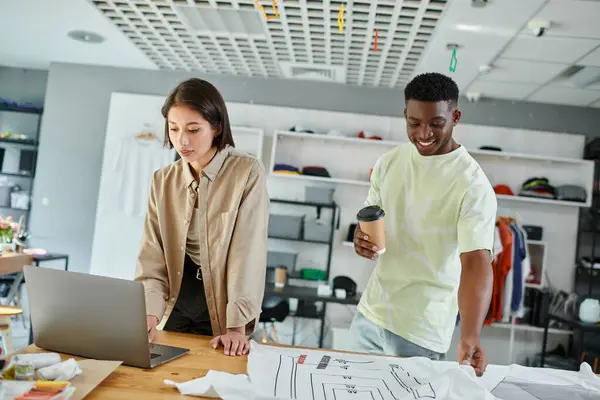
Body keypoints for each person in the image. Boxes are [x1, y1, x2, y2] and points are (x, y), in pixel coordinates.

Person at [350, 72, 496, 376]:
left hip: (420, 330)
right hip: (370, 314)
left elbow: (476, 262)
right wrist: (360, 238)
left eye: (436, 124)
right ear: (405, 114)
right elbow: (371, 214)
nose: (424, 133)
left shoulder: (472, 184)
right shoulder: (389, 162)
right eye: (414, 124)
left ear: (455, 117)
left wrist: (470, 336)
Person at [135, 78, 269, 357]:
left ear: (217, 127)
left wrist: (237, 326)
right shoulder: (163, 180)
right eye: (174, 129)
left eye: (193, 130)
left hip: (222, 305)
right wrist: (147, 314)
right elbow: (152, 254)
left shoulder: (246, 172)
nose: (182, 140)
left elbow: (247, 252)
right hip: (175, 301)